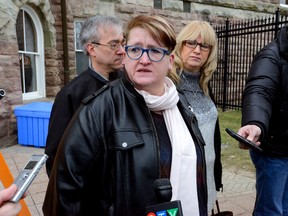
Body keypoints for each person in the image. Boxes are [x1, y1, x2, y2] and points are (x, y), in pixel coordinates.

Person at [42, 15, 207, 216]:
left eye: (155, 51)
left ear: (170, 61)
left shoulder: (181, 104)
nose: (144, 60)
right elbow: (63, 192)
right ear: (126, 55)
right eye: (136, 49)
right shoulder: (98, 110)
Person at [44, 15, 125, 177]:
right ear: (91, 49)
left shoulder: (130, 83)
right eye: (113, 44)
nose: (122, 51)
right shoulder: (70, 95)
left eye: (123, 43)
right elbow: (56, 157)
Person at [171, 20, 222, 213]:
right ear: (180, 44)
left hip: (206, 177)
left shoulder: (205, 85)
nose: (197, 50)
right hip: (182, 181)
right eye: (190, 43)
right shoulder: (168, 86)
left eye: (204, 45)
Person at [237, 25, 288, 216]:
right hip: (274, 151)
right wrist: (255, 122)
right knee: (270, 211)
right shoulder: (271, 55)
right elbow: (260, 90)